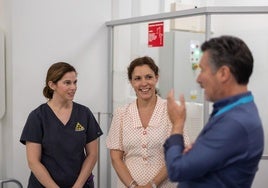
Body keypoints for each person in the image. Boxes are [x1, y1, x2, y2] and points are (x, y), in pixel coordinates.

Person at [164, 35, 264, 188]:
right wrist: (195, 152)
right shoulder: (231, 111)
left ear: (223, 73)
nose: (198, 79)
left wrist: (177, 124)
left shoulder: (235, 122)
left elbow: (177, 169)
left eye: (202, 70)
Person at [106, 56, 190, 188]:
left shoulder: (170, 110)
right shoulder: (121, 113)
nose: (144, 83)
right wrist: (133, 186)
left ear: (156, 78)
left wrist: (152, 185)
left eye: (149, 77)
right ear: (131, 82)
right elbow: (116, 158)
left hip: (165, 184)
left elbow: (179, 152)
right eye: (137, 79)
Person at [20, 62, 103, 188]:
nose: (73, 87)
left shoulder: (84, 113)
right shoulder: (37, 117)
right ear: (52, 85)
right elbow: (33, 162)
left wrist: (78, 185)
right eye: (67, 83)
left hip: (80, 185)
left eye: (75, 82)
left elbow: (92, 155)